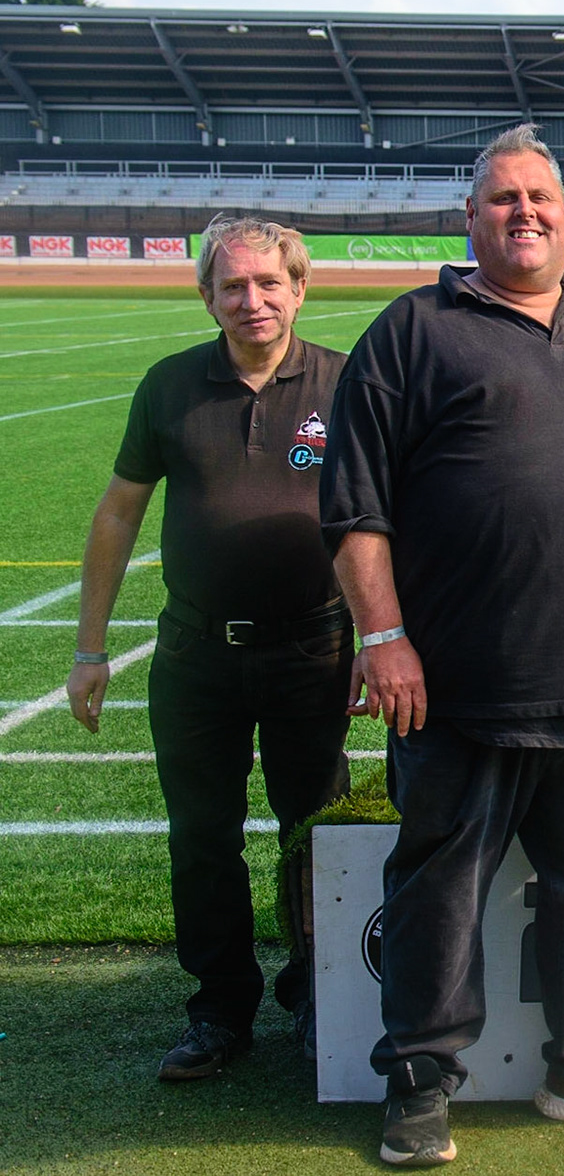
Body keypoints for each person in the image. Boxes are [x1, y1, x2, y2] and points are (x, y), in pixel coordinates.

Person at [321, 125, 564, 1166]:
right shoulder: (412, 331)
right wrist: (386, 638)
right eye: (503, 199)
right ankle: (419, 1078)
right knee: (440, 889)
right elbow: (354, 509)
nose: (525, 213)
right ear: (471, 219)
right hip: (456, 683)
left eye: (541, 196)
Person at [65, 215, 352, 1079]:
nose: (252, 301)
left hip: (315, 653)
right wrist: (88, 650)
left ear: (300, 288)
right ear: (206, 296)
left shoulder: (345, 383)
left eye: (269, 284)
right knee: (201, 838)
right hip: (196, 657)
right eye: (233, 286)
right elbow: (119, 512)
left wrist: (388, 638)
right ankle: (219, 1008)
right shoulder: (169, 387)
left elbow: (391, 522)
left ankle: (316, 993)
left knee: (314, 834)